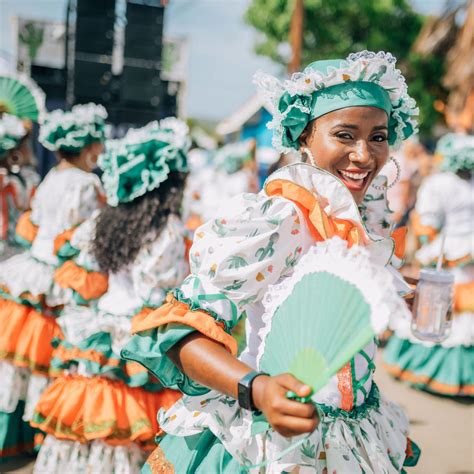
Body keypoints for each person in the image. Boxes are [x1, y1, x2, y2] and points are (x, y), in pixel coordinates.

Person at [122, 51, 420, 473]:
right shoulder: (279, 218)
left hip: (351, 438)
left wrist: (397, 292)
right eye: (345, 135)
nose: (364, 155)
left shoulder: (361, 217)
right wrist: (257, 389)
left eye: (378, 136)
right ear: (304, 138)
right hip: (271, 446)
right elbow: (180, 332)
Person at [31, 118, 191, 473]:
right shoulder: (166, 230)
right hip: (140, 330)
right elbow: (156, 291)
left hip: (99, 324)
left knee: (92, 420)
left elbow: (69, 252)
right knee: (134, 424)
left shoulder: (106, 219)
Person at [0, 103, 107, 462]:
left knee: (19, 366)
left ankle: (12, 439)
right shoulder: (88, 183)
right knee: (50, 362)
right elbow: (87, 236)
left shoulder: (51, 178)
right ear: (89, 147)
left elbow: (37, 223)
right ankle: (35, 438)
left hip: (31, 270)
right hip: (61, 277)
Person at [384, 133, 473, 397]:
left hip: (449, 251)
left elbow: (427, 225)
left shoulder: (438, 183)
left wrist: (428, 245)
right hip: (460, 254)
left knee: (442, 307)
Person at [0, 114, 39, 259]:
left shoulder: (26, 179)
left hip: (18, 250)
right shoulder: (5, 180)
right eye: (25, 145)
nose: (29, 150)